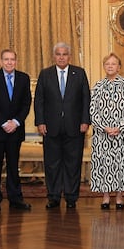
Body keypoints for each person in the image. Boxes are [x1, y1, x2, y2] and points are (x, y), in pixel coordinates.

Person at [34, 42, 90, 209]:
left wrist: (85, 120)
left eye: (64, 54)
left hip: (75, 127)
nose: (61, 57)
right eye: (58, 54)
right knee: (52, 164)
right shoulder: (45, 74)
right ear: (54, 56)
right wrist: (40, 122)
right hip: (50, 127)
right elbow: (39, 100)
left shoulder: (79, 73)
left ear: (69, 56)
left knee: (73, 164)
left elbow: (86, 99)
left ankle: (71, 197)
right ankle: (54, 197)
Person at [0, 49, 32, 211]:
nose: (9, 62)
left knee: (13, 166)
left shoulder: (24, 78)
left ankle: (15, 199)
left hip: (15, 131)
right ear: (0, 61)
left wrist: (16, 122)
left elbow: (26, 103)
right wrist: (4, 123)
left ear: (16, 61)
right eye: (6, 59)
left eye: (12, 59)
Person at [89, 53, 124, 209]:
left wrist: (119, 127)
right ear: (104, 66)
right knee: (104, 164)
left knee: (120, 164)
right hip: (102, 134)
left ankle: (119, 196)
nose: (110, 66)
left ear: (119, 67)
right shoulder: (98, 86)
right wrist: (105, 127)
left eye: (113, 64)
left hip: (122, 134)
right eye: (107, 64)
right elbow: (92, 111)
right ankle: (105, 197)